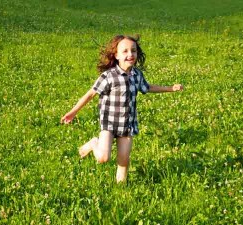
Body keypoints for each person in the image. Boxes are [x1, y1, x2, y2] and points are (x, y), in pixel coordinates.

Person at [61, 35, 183, 183]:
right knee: (103, 158)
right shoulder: (109, 76)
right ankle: (94, 143)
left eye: (133, 51)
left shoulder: (137, 75)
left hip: (128, 124)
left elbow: (148, 87)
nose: (130, 54)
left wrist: (170, 88)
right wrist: (73, 112)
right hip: (110, 124)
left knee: (124, 160)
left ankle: (120, 188)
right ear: (117, 55)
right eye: (125, 51)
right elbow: (91, 94)